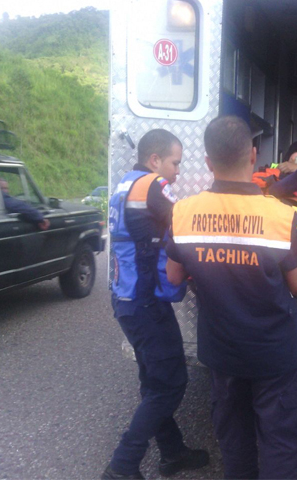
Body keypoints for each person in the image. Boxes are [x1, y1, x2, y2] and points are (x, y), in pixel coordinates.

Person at [165, 115, 297, 479]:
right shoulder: (282, 217)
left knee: (234, 443)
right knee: (280, 444)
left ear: (207, 161)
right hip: (274, 353)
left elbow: (173, 276)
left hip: (223, 351)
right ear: (253, 155)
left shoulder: (183, 213)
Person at [102, 129, 209, 480]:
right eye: (175, 163)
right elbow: (184, 223)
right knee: (170, 384)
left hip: (126, 300)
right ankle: (122, 465)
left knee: (154, 381)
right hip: (146, 304)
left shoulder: (124, 184)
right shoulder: (152, 184)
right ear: (154, 161)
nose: (177, 171)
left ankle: (172, 452)